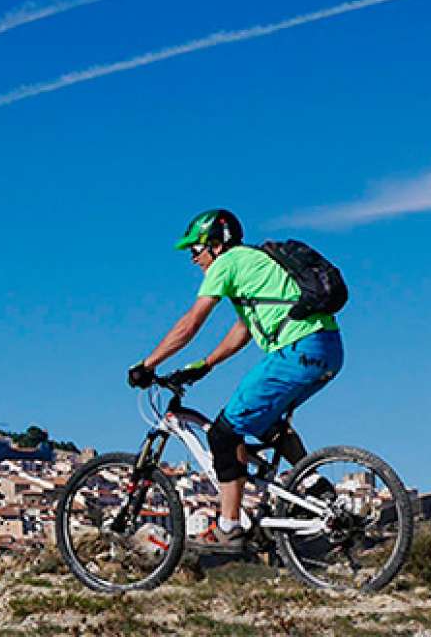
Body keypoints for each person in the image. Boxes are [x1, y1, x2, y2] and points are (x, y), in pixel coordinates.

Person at [126, 209, 344, 548]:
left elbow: (191, 324)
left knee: (224, 435)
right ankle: (314, 483)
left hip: (296, 350)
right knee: (267, 423)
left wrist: (147, 364)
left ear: (215, 245)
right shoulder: (254, 264)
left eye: (195, 250)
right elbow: (242, 331)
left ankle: (229, 527)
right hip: (327, 348)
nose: (193, 258)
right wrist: (205, 364)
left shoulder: (227, 265)